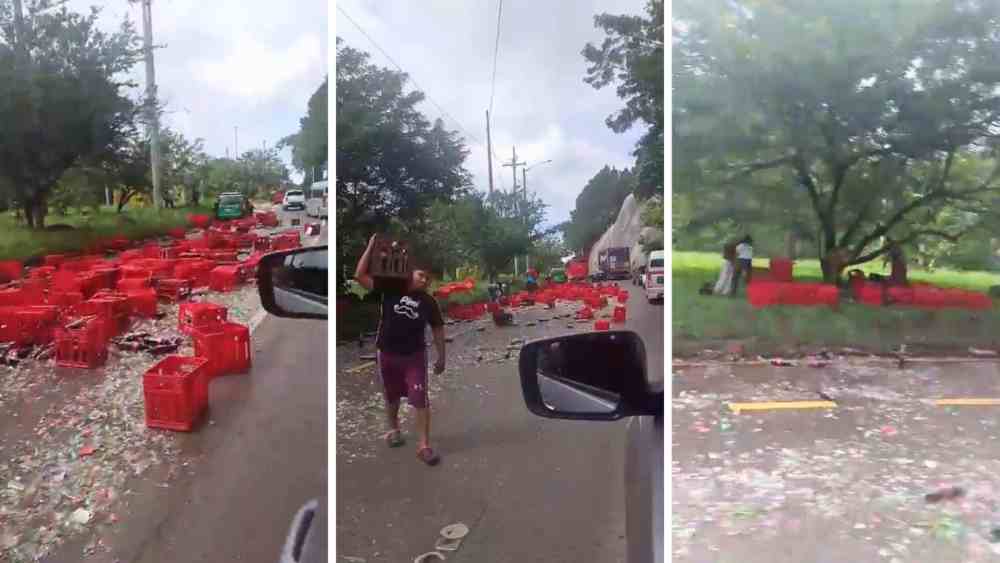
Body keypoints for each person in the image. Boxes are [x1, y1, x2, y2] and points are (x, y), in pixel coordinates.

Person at [355, 234, 446, 466]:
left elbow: (437, 329)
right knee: (391, 397)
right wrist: (370, 246)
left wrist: (441, 357)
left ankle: (424, 446)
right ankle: (394, 429)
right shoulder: (390, 289)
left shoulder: (428, 302)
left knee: (419, 399)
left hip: (414, 356)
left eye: (429, 279)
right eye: (421, 275)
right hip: (386, 353)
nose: (425, 281)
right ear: (410, 272)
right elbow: (360, 276)